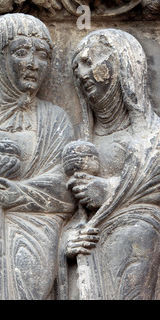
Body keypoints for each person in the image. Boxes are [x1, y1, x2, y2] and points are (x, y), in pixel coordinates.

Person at [0, 13, 76, 300]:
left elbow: (68, 190)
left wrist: (17, 193)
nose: (34, 64)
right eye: (21, 52)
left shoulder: (56, 119)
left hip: (39, 241)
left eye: (43, 55)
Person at [58, 29, 160, 300]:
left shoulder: (154, 138)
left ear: (123, 66)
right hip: (89, 265)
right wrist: (68, 241)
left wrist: (109, 190)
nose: (82, 74)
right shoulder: (77, 140)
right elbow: (60, 212)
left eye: (90, 62)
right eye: (77, 67)